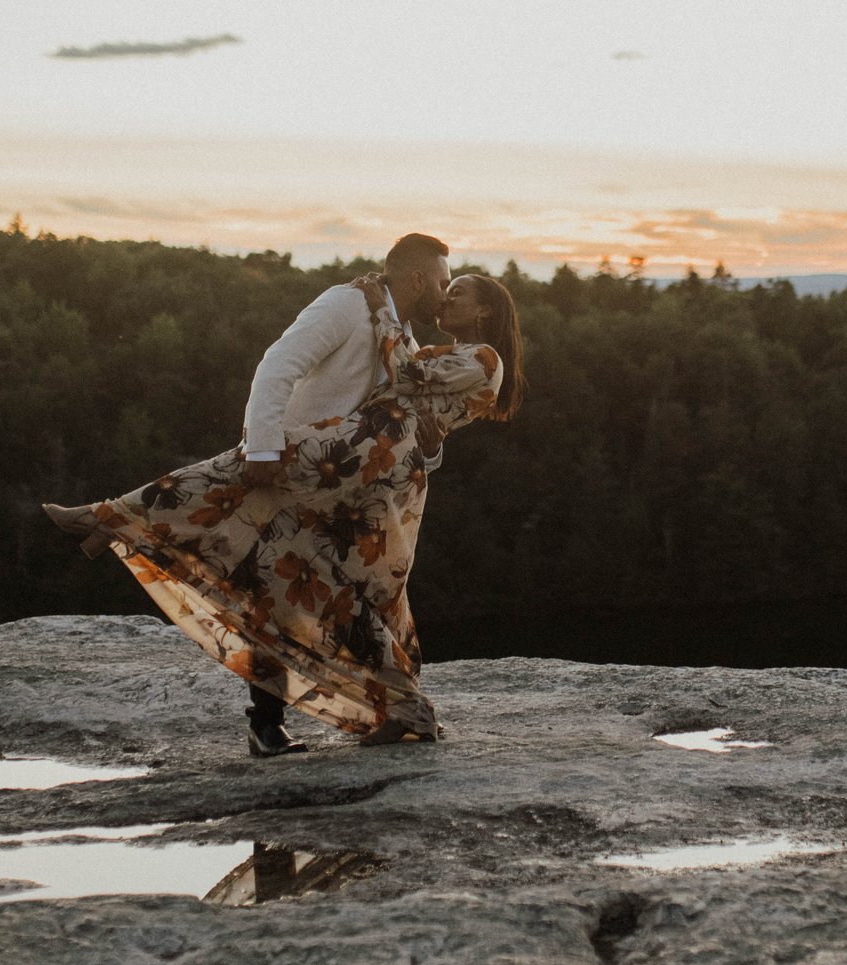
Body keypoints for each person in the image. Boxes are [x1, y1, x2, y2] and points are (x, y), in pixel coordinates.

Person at [42, 245, 523, 756]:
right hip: (335, 457)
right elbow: (279, 366)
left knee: (348, 592)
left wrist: (428, 444)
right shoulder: (349, 306)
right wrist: (264, 443)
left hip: (360, 467)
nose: (447, 295)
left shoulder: (430, 343)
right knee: (279, 580)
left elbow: (414, 399)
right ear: (419, 278)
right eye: (445, 283)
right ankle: (278, 722)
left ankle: (112, 518)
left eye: (458, 290)